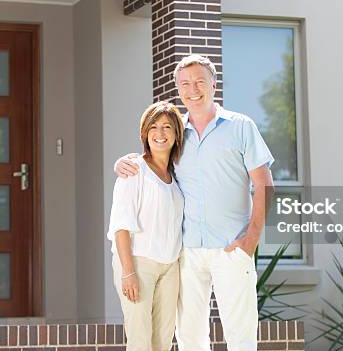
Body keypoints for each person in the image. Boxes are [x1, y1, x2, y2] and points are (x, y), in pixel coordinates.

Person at [115, 54, 275, 350]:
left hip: (232, 247)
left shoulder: (241, 126)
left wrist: (251, 239)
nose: (193, 89)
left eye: (200, 81)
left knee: (240, 335)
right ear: (178, 89)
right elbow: (153, 159)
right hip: (187, 252)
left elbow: (264, 182)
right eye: (185, 83)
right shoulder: (176, 133)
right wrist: (125, 162)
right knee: (189, 337)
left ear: (214, 84)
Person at [107, 101, 185, 351]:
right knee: (140, 340)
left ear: (176, 135)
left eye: (167, 127)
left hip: (170, 266)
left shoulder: (176, 176)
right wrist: (128, 272)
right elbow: (120, 226)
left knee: (162, 341)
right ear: (145, 133)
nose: (160, 134)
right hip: (138, 264)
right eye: (153, 127)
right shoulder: (134, 170)